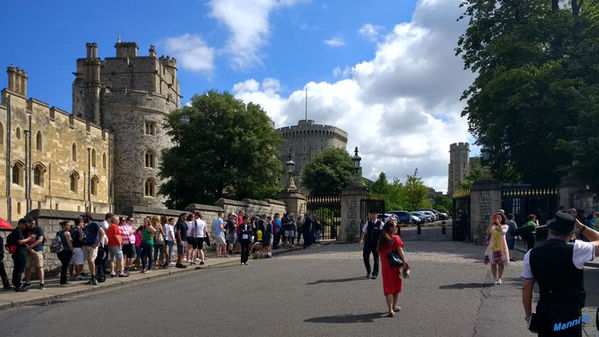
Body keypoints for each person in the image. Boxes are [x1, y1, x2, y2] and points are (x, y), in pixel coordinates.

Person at [522, 212, 599, 336]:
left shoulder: (531, 253)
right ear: (571, 235)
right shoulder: (577, 249)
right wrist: (581, 226)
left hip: (545, 309)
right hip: (569, 311)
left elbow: (526, 287)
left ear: (549, 230)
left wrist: (529, 316)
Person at [378, 219, 408, 317]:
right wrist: (405, 262)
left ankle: (390, 309)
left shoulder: (382, 239)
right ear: (391, 228)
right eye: (396, 226)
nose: (397, 228)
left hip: (386, 266)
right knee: (396, 286)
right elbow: (400, 251)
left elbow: (378, 251)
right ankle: (394, 306)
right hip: (395, 266)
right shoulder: (396, 238)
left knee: (388, 287)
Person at [484, 213, 509, 285]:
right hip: (492, 247)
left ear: (502, 218)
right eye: (496, 217)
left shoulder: (505, 226)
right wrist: (491, 223)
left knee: (501, 263)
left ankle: (499, 278)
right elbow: (488, 232)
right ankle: (495, 278)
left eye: (499, 217)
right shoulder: (493, 226)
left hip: (501, 247)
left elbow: (503, 232)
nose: (497, 219)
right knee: (493, 263)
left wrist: (498, 224)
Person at [10, 218, 34, 291]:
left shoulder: (19, 231)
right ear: (20, 224)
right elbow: (20, 242)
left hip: (19, 252)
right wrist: (30, 238)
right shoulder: (17, 231)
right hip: (19, 253)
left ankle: (16, 285)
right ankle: (18, 286)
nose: (26, 226)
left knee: (17, 269)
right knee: (19, 270)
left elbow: (23, 242)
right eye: (25, 225)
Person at [359, 210, 384, 279]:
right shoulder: (368, 222)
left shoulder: (380, 223)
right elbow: (363, 231)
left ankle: (375, 273)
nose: (373, 215)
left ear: (377, 215)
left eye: (374, 214)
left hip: (376, 243)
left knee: (376, 258)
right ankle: (368, 271)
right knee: (365, 256)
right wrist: (361, 239)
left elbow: (384, 233)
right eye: (372, 214)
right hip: (368, 242)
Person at [23, 217, 45, 290]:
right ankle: (27, 282)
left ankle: (42, 283)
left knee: (39, 267)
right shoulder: (25, 230)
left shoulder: (38, 229)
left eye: (34, 223)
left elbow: (40, 240)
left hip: (37, 250)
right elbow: (23, 240)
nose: (33, 224)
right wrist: (28, 248)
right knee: (27, 267)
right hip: (28, 251)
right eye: (32, 223)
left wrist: (30, 247)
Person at [82, 213, 104, 285]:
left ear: (88, 217)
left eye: (84, 217)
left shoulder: (94, 224)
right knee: (89, 261)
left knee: (91, 260)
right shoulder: (85, 226)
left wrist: (98, 242)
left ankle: (94, 277)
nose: (83, 218)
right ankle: (92, 277)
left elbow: (102, 232)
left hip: (93, 246)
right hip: (86, 245)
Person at [56, 220, 74, 285]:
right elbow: (69, 243)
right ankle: (63, 280)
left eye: (70, 225)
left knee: (64, 265)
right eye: (68, 225)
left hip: (60, 251)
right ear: (63, 226)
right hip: (66, 251)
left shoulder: (59, 232)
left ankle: (63, 280)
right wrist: (72, 250)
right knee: (65, 266)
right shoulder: (67, 233)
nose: (69, 226)